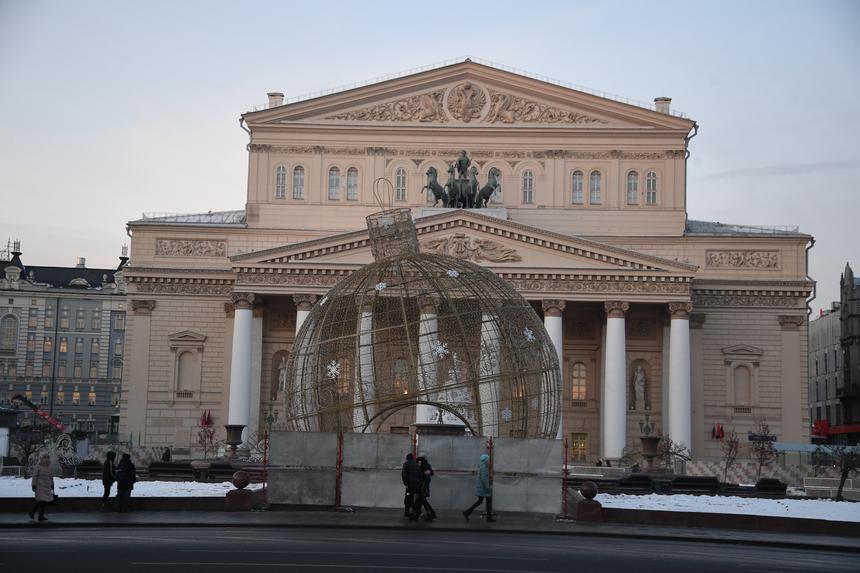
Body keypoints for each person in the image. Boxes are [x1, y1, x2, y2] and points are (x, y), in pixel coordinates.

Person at [463, 453, 495, 522]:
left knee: (481, 501)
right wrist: (487, 488)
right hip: (483, 488)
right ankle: (488, 517)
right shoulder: (484, 467)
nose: (489, 461)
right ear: (485, 460)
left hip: (481, 487)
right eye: (488, 460)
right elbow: (484, 479)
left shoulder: (482, 466)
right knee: (486, 501)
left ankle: (467, 512)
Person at [29, 453, 54, 522]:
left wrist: (52, 485)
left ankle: (40, 515)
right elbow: (34, 476)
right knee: (40, 501)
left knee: (44, 502)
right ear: (41, 459)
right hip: (39, 486)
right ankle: (33, 512)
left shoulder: (49, 467)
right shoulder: (38, 467)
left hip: (47, 487)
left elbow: (51, 477)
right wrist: (33, 485)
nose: (46, 459)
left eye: (47, 457)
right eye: (45, 457)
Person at [415, 455, 436, 521]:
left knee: (422, 501)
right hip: (422, 486)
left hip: (422, 486)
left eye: (418, 462)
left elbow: (430, 473)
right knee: (420, 501)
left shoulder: (424, 466)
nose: (418, 464)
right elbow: (431, 473)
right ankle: (430, 514)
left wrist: (426, 473)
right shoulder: (425, 466)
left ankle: (429, 514)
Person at [400, 453, 421, 521]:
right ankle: (408, 513)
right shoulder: (416, 464)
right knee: (411, 498)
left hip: (409, 485)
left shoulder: (406, 464)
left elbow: (404, 474)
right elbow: (419, 474)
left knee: (408, 498)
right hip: (416, 485)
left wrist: (405, 483)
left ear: (407, 458)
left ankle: (416, 512)